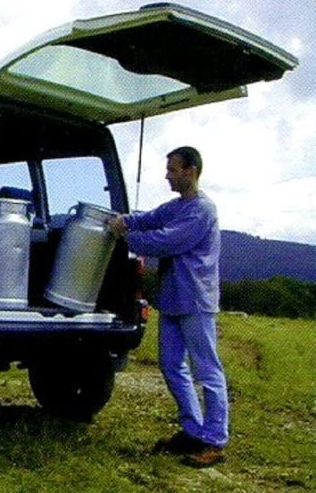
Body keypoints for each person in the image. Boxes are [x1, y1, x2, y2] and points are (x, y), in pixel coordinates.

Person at [108, 146, 228, 468]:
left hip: (196, 300)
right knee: (172, 365)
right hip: (173, 298)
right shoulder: (175, 207)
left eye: (173, 170)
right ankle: (193, 431)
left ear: (191, 170)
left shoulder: (202, 210)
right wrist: (123, 220)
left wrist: (125, 236)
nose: (167, 176)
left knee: (207, 370)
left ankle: (215, 441)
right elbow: (149, 219)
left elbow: (166, 240)